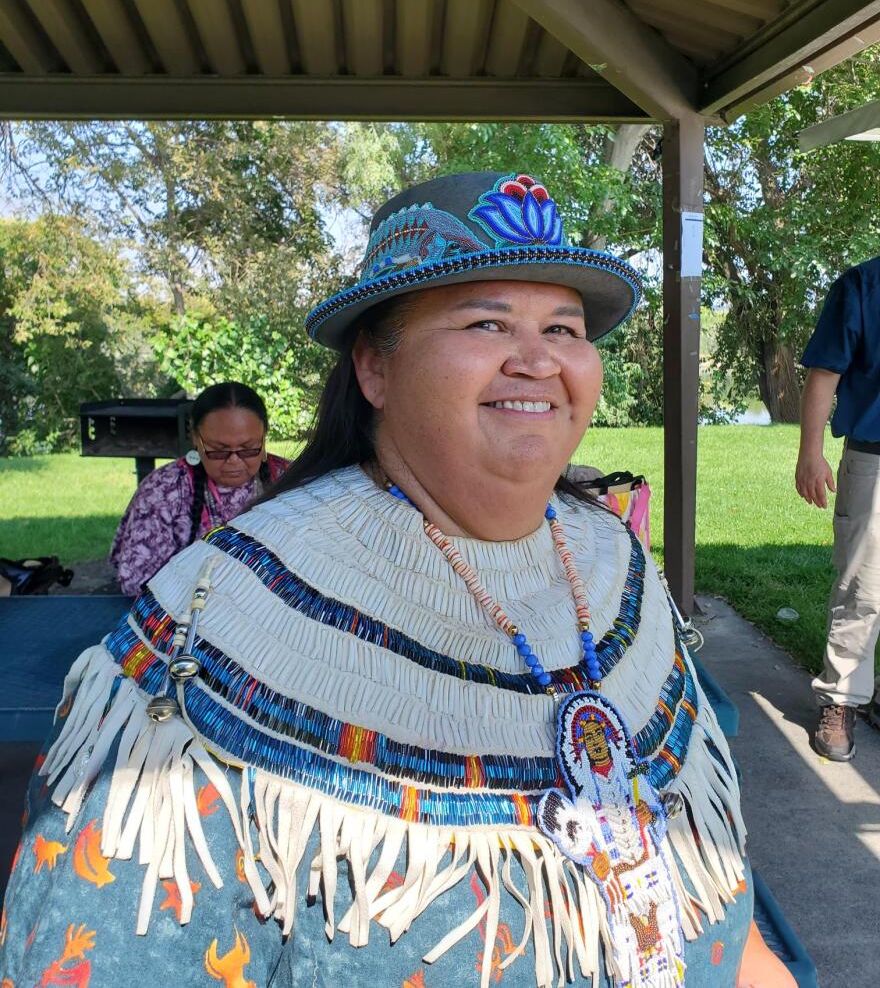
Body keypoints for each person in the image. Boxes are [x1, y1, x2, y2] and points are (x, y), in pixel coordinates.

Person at [2, 172, 793, 986]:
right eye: (488, 321)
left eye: (565, 326)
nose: (538, 359)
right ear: (376, 369)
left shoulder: (613, 558)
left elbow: (712, 883)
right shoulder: (214, 626)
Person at [796, 254, 880, 762]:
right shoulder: (861, 286)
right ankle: (841, 701)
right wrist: (810, 453)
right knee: (863, 589)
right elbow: (824, 375)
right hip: (874, 457)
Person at [110, 381, 289, 596]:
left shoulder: (291, 481)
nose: (234, 461)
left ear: (264, 437)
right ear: (196, 439)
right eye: (218, 450)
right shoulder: (164, 490)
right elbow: (135, 580)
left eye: (248, 448)